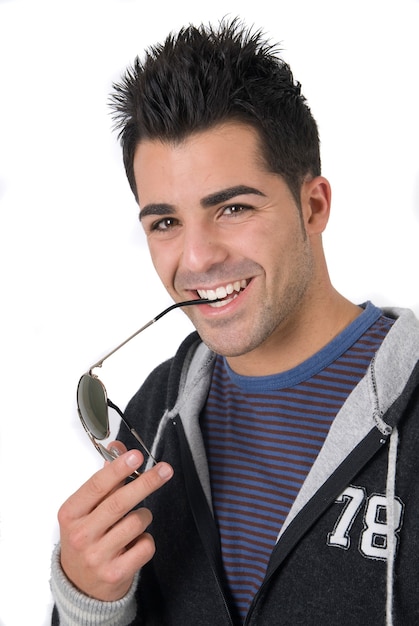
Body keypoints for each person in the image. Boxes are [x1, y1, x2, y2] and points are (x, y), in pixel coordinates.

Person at [50, 17, 419, 626]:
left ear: (313, 204)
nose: (196, 259)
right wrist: (88, 599)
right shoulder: (153, 417)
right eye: (165, 222)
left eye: (233, 208)